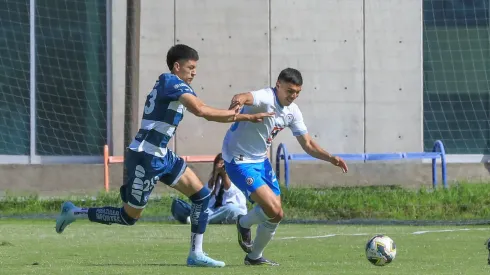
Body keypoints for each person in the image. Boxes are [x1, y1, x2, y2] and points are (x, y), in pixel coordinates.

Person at [54, 44, 273, 268]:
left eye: (196, 68)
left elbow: (205, 110)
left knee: (201, 196)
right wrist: (240, 115)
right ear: (177, 67)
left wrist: (243, 117)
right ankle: (75, 212)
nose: (194, 72)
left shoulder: (178, 86)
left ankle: (196, 254)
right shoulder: (171, 82)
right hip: (145, 157)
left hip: (162, 155)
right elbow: (202, 111)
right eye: (191, 67)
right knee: (128, 217)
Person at [222, 68, 349, 266]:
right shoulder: (266, 97)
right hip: (238, 160)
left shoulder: (293, 111)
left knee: (275, 214)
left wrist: (331, 157)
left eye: (297, 92)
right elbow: (245, 96)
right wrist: (238, 101)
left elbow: (307, 144)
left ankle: (253, 256)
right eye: (290, 91)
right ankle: (244, 223)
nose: (293, 96)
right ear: (278, 85)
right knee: (275, 211)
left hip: (260, 161)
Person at [171, 153, 247, 225]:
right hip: (215, 210)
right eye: (220, 164)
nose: (222, 167)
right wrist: (216, 173)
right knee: (177, 203)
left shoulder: (235, 176)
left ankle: (200, 220)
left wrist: (225, 174)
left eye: (224, 164)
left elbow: (229, 191)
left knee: (230, 208)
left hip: (235, 211)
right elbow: (207, 194)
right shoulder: (215, 179)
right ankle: (202, 218)